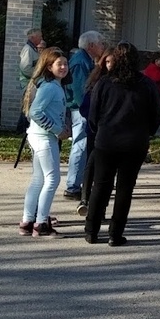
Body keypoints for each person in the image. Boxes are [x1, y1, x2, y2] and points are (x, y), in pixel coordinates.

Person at [83, 42, 160, 247]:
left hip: (107, 140)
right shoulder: (146, 84)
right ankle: (115, 234)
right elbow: (155, 115)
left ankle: (91, 230)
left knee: (100, 186)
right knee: (125, 189)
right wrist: (147, 133)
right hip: (134, 142)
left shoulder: (105, 83)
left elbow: (93, 114)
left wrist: (98, 130)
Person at [19, 47, 69, 237]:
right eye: (59, 64)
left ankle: (28, 220)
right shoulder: (49, 87)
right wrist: (57, 130)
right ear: (49, 67)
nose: (64, 67)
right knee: (52, 179)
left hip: (40, 137)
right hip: (44, 138)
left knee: (39, 179)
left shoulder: (53, 86)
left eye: (65, 64)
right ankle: (41, 223)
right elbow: (35, 112)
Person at [64, 31, 107, 202]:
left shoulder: (85, 59)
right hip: (80, 110)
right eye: (100, 43)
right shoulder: (81, 62)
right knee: (80, 146)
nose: (102, 46)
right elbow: (79, 90)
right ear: (91, 45)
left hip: (82, 109)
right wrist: (88, 111)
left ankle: (79, 182)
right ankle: (73, 185)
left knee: (82, 146)